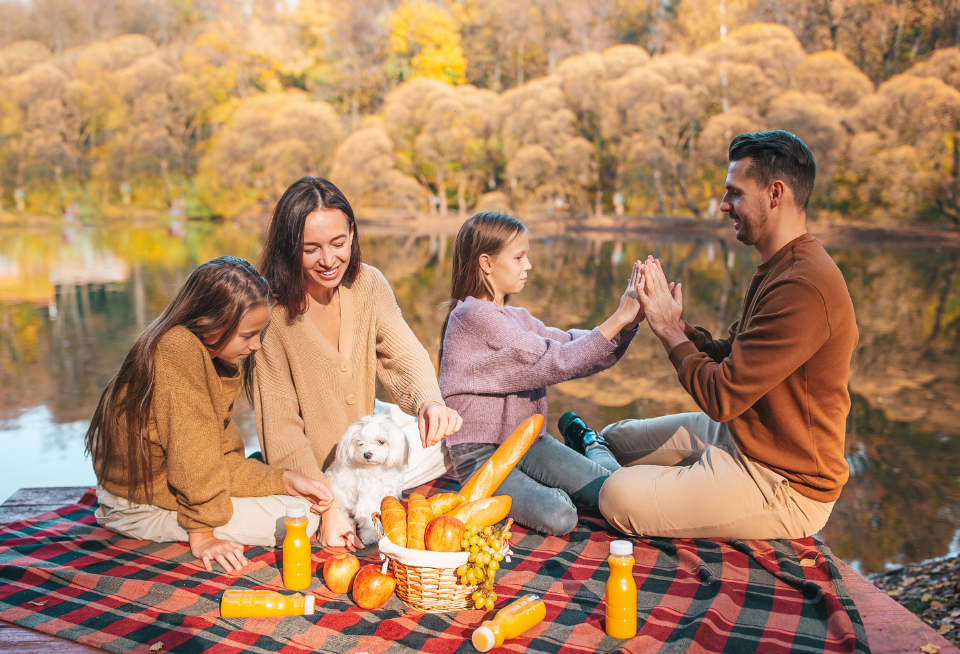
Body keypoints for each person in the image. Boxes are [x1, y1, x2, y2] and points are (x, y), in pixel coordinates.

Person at [562, 131, 859, 539]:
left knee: (616, 497)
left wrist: (668, 332)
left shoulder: (804, 284)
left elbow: (722, 396)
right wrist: (680, 327)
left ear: (775, 194)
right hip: (745, 435)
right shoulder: (777, 266)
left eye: (735, 193)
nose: (724, 205)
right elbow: (733, 357)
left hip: (783, 482)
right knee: (612, 438)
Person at [251, 177, 463, 550]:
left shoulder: (369, 283)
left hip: (367, 447)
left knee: (456, 436)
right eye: (311, 249)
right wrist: (329, 506)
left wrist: (429, 401)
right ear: (289, 248)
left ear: (352, 232)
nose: (329, 260)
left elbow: (403, 352)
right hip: (313, 471)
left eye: (338, 243)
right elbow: (281, 426)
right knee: (292, 521)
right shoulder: (270, 313)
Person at [86, 257, 334, 574]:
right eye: (248, 335)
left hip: (163, 487)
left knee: (284, 489)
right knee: (302, 519)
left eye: (260, 333)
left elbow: (217, 456)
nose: (256, 345)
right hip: (135, 508)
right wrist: (203, 535)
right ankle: (191, 522)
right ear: (211, 322)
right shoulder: (178, 352)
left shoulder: (201, 352)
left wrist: (282, 480)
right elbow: (194, 460)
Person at [439, 212, 642, 536]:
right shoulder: (471, 315)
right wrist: (617, 318)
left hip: (528, 442)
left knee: (614, 490)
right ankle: (577, 461)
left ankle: (591, 443)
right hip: (481, 453)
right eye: (519, 256)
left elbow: (574, 347)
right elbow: (555, 360)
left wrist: (628, 322)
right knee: (561, 515)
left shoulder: (517, 316)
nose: (528, 265)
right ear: (487, 263)